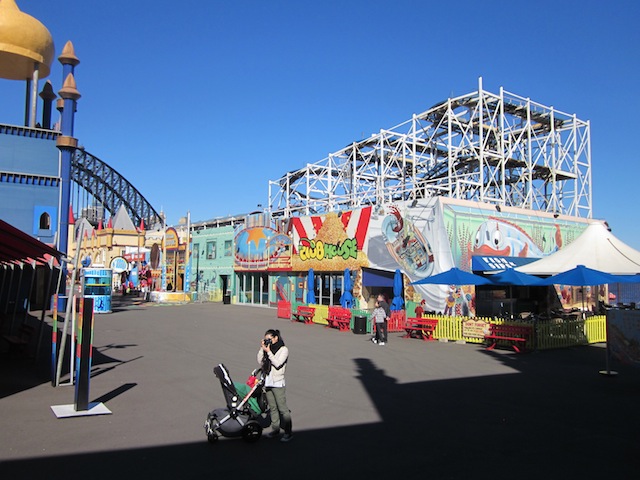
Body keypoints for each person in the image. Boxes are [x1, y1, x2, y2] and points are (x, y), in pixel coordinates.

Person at [257, 329, 293, 442]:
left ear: (276, 338)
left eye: (270, 339)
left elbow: (277, 363)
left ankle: (288, 432)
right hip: (268, 382)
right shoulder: (267, 349)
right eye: (266, 339)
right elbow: (260, 361)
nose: (268, 341)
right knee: (272, 408)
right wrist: (262, 349)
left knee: (282, 409)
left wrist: (268, 352)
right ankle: (275, 429)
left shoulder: (284, 349)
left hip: (278, 382)